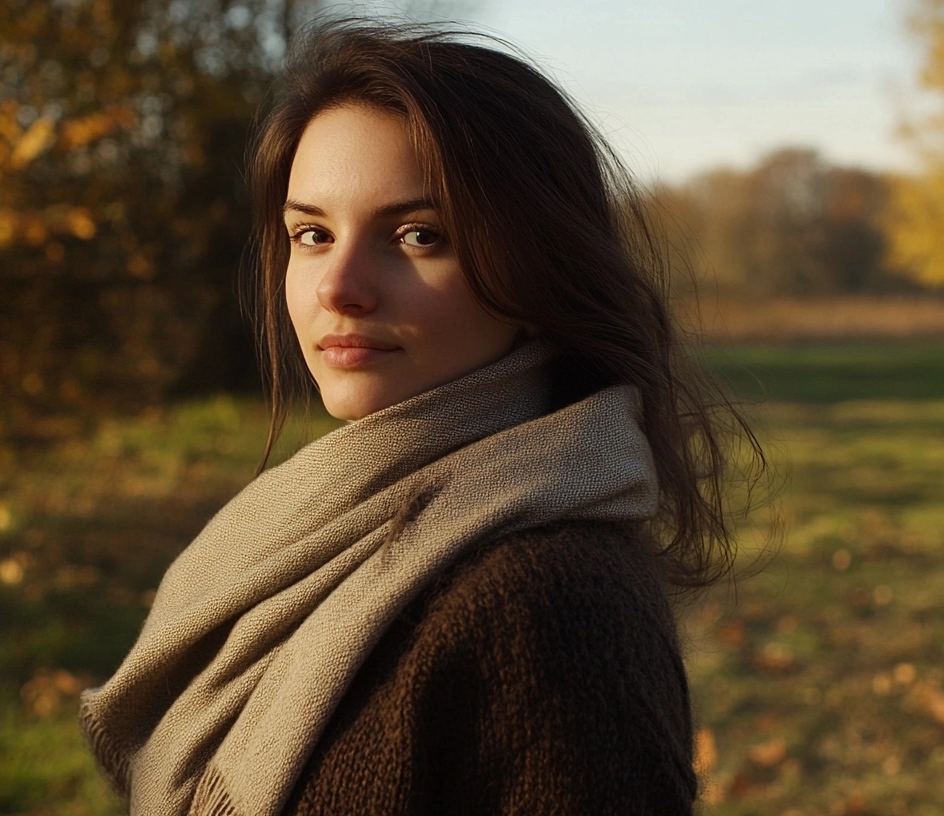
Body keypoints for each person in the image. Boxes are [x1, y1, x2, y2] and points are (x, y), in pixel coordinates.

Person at [81, 18, 759, 816]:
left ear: (540, 271)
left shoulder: (550, 608)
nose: (338, 286)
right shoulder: (296, 535)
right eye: (311, 233)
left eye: (416, 235)